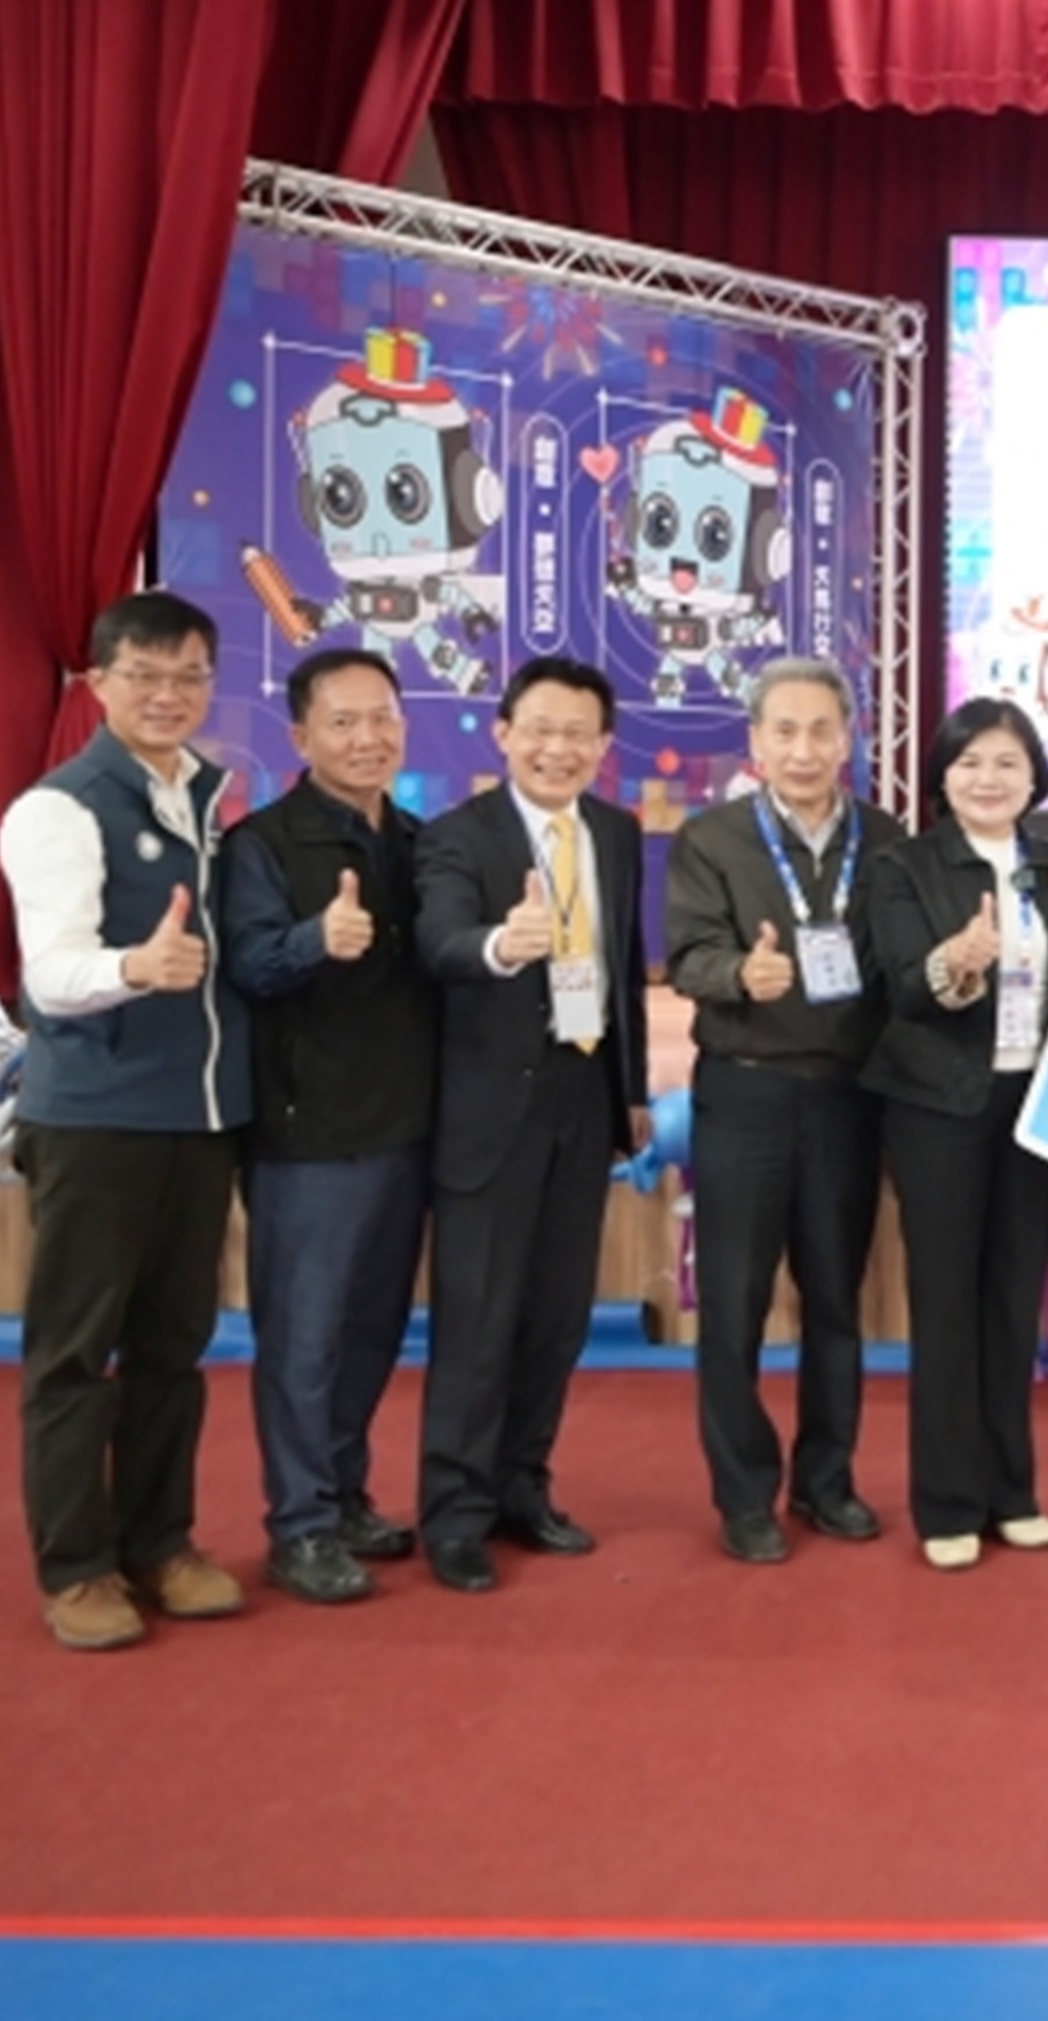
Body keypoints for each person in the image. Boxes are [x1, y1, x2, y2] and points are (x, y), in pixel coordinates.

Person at [0, 589, 254, 1650]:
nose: (168, 694)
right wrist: (134, 967)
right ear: (99, 681)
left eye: (189, 674)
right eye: (144, 674)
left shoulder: (208, 797)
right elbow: (51, 973)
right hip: (97, 1118)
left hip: (199, 1118)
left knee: (172, 1346)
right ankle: (76, 1567)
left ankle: (161, 1542)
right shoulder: (57, 809)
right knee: (75, 1350)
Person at [412, 656, 651, 1594]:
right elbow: (439, 941)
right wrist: (499, 945)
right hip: (490, 1109)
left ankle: (522, 1488)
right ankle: (455, 1514)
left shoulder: (615, 832)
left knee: (555, 1318)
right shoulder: (455, 837)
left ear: (603, 745)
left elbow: (622, 967)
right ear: (504, 733)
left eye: (577, 734)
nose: (558, 749)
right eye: (540, 730)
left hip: (584, 1096)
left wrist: (632, 1090)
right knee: (478, 1320)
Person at [663, 658, 909, 1565]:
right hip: (746, 1093)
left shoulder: (887, 842)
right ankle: (743, 1497)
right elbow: (687, 957)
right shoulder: (712, 839)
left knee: (836, 1302)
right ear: (756, 742)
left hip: (847, 1099)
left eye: (820, 731)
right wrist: (740, 972)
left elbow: (901, 967)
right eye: (785, 731)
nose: (803, 750)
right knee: (733, 1306)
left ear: (848, 739)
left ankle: (826, 1481)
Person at [223, 647, 441, 1605]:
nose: (367, 738)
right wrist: (317, 939)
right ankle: (299, 1525)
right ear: (301, 736)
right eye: (343, 722)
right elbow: (249, 963)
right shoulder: (262, 844)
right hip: (307, 1134)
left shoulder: (420, 840)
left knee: (370, 1331)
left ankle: (345, 1496)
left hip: (407, 1124)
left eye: (382, 718)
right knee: (303, 1339)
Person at [857, 698, 1048, 1571]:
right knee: (948, 1303)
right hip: (938, 1108)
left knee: (1012, 1299)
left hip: (1032, 1113)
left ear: (1034, 777)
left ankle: (1012, 1493)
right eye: (969, 762)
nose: (987, 779)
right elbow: (898, 987)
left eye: (1005, 763)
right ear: (942, 776)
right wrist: (950, 965)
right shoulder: (903, 866)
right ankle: (947, 1504)